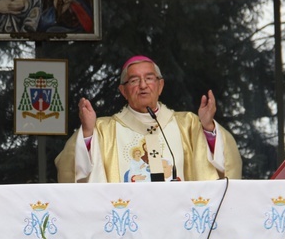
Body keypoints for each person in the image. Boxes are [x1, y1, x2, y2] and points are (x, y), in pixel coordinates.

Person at [56, 55, 242, 182]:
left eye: (149, 78)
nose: (143, 85)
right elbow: (70, 169)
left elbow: (225, 164)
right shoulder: (104, 130)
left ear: (160, 86)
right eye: (134, 80)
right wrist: (88, 132)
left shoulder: (188, 124)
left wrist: (208, 127)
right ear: (123, 90)